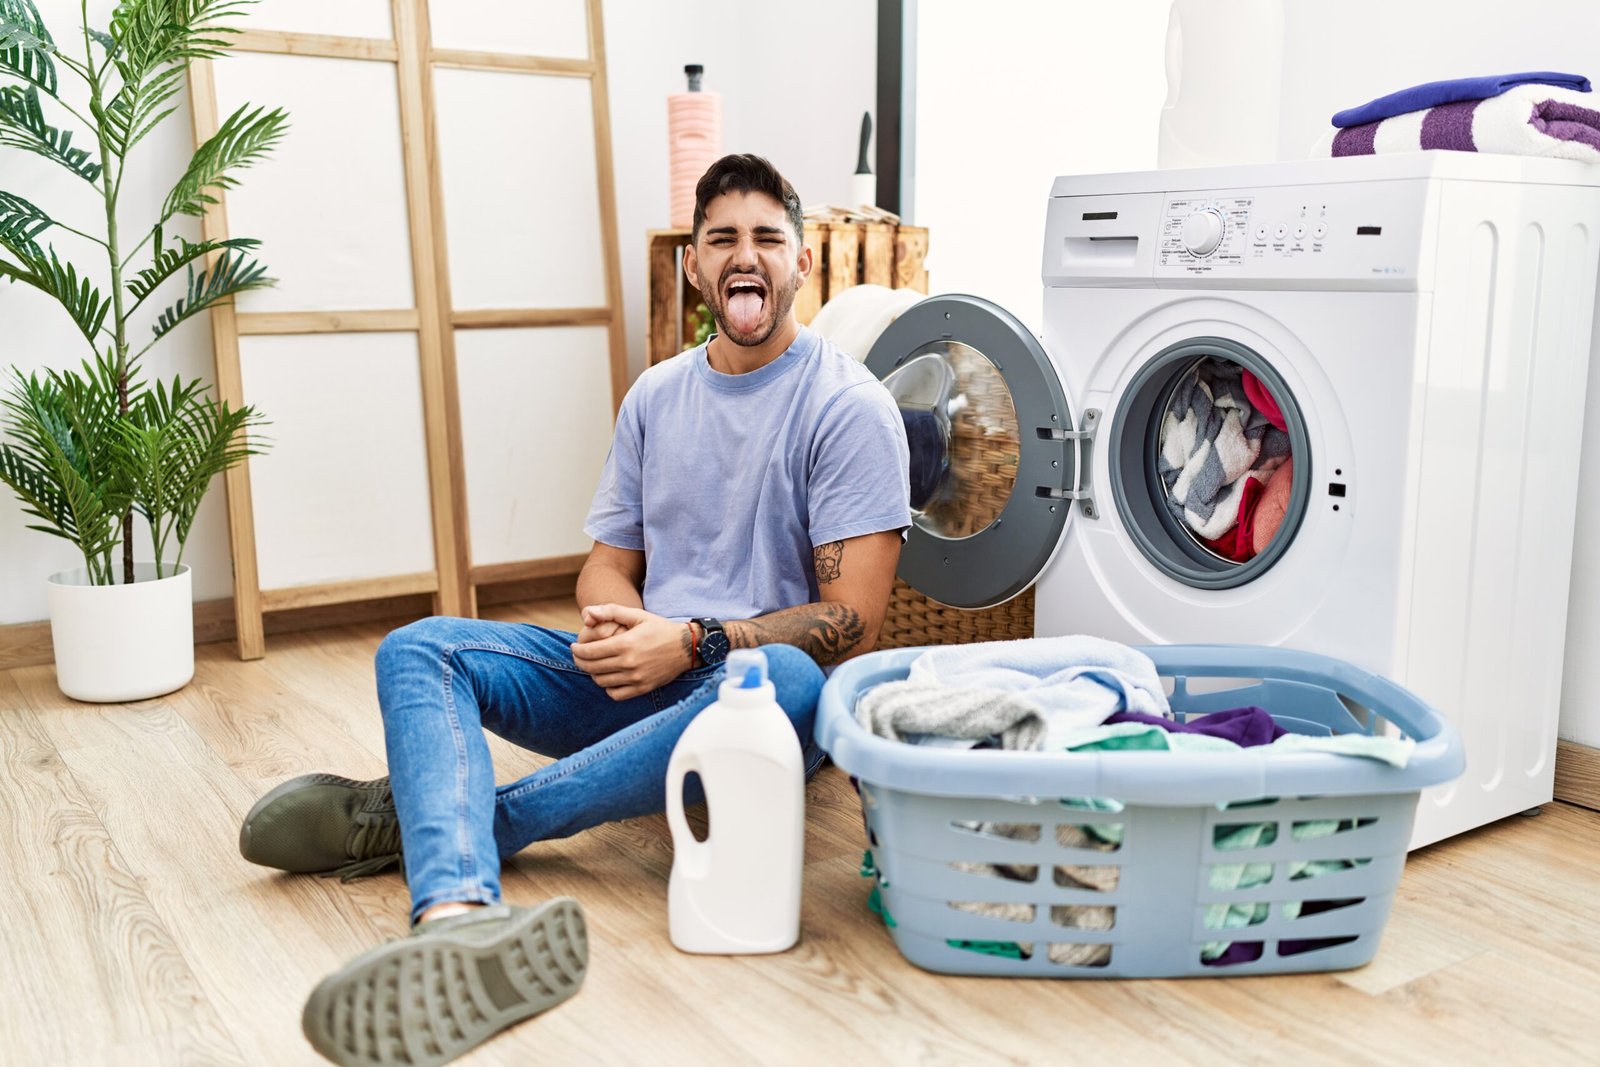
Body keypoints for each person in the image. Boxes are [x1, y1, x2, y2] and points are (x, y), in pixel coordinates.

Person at [239, 153, 912, 1066]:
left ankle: (464, 817)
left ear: (800, 262)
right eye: (722, 238)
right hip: (640, 673)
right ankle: (457, 914)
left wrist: (692, 640)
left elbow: (852, 622)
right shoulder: (657, 395)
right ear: (694, 265)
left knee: (791, 677)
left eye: (767, 237)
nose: (745, 254)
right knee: (421, 647)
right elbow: (605, 566)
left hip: (749, 703)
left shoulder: (849, 407)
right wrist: (621, 622)